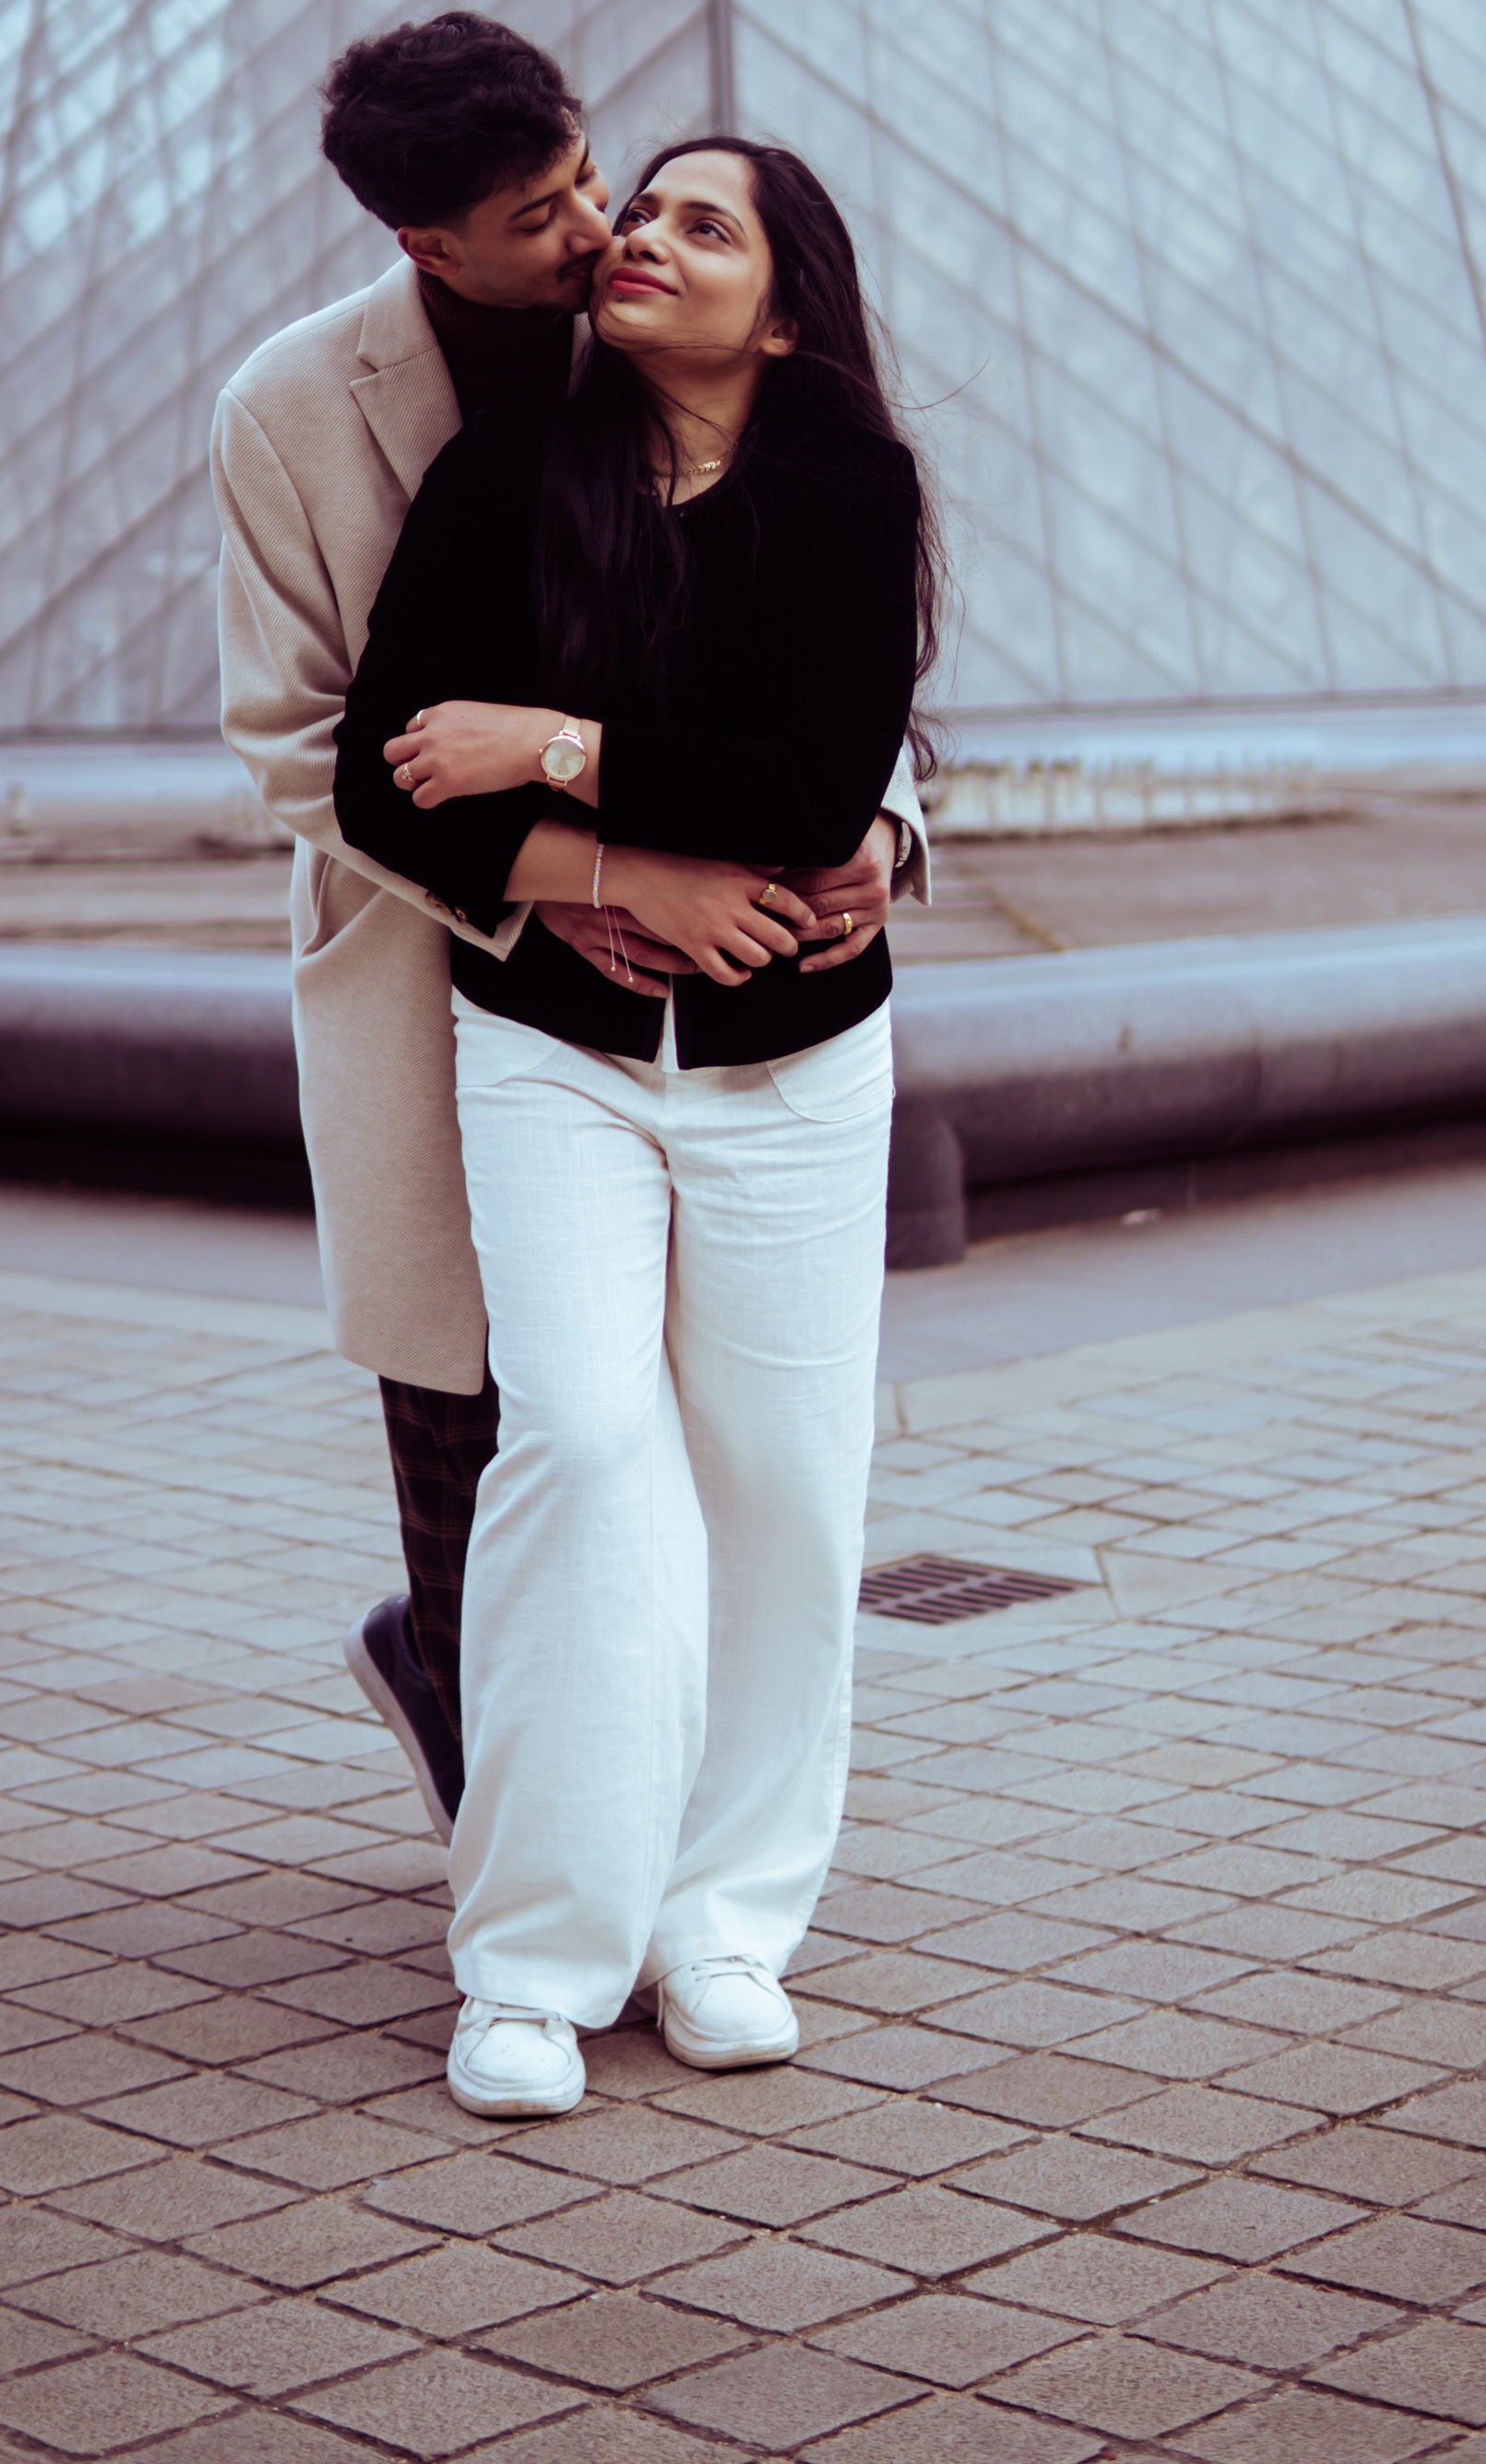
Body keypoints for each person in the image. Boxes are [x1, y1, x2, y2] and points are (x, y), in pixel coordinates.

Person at [211, 14, 925, 1854]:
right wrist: (586, 875)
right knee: (488, 1412)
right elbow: (308, 749)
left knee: (675, 1420)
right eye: (547, 214)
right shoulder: (296, 412)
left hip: (702, 982)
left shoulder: (709, 380)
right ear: (424, 246)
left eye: (597, 177)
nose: (600, 226)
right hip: (428, 946)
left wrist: (876, 825)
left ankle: (648, 1832)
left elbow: (825, 660)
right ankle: (499, 1816)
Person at [335, 132, 945, 2118]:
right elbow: (375, 776)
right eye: (641, 208)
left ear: (782, 304)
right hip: (556, 1055)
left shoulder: (850, 484)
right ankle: (527, 1955)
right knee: (583, 1447)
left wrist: (553, 746)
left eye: (703, 224)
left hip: (791, 1067)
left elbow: (807, 777)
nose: (642, 241)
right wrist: (602, 864)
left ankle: (723, 1921)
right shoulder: (507, 472)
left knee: (782, 1482)